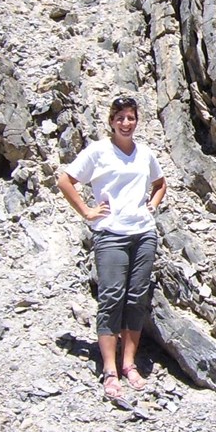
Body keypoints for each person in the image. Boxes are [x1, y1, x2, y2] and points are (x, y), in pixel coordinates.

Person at [56, 96, 167, 400]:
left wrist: (152, 207)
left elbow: (160, 184)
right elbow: (64, 180)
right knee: (111, 297)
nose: (126, 123)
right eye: (120, 117)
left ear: (136, 120)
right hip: (111, 234)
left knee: (136, 298)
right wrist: (87, 212)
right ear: (111, 121)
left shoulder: (144, 153)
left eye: (130, 117)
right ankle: (109, 369)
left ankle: (129, 364)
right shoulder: (99, 152)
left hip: (143, 233)